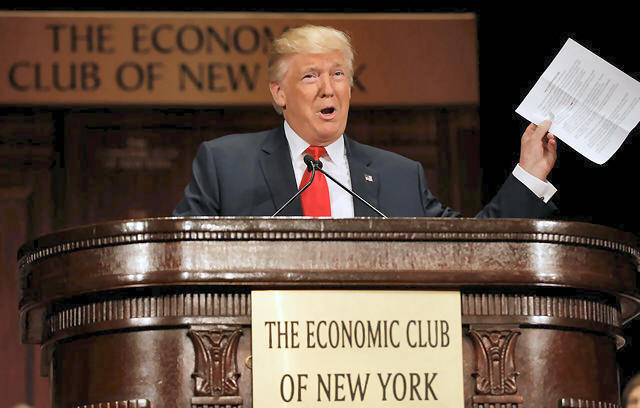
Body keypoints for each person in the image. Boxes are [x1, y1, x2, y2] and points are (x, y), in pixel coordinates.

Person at [173, 25, 558, 218]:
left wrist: (529, 174)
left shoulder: (399, 176)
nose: (328, 89)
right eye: (310, 76)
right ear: (279, 93)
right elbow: (181, 255)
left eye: (338, 74)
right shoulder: (226, 165)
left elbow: (475, 250)